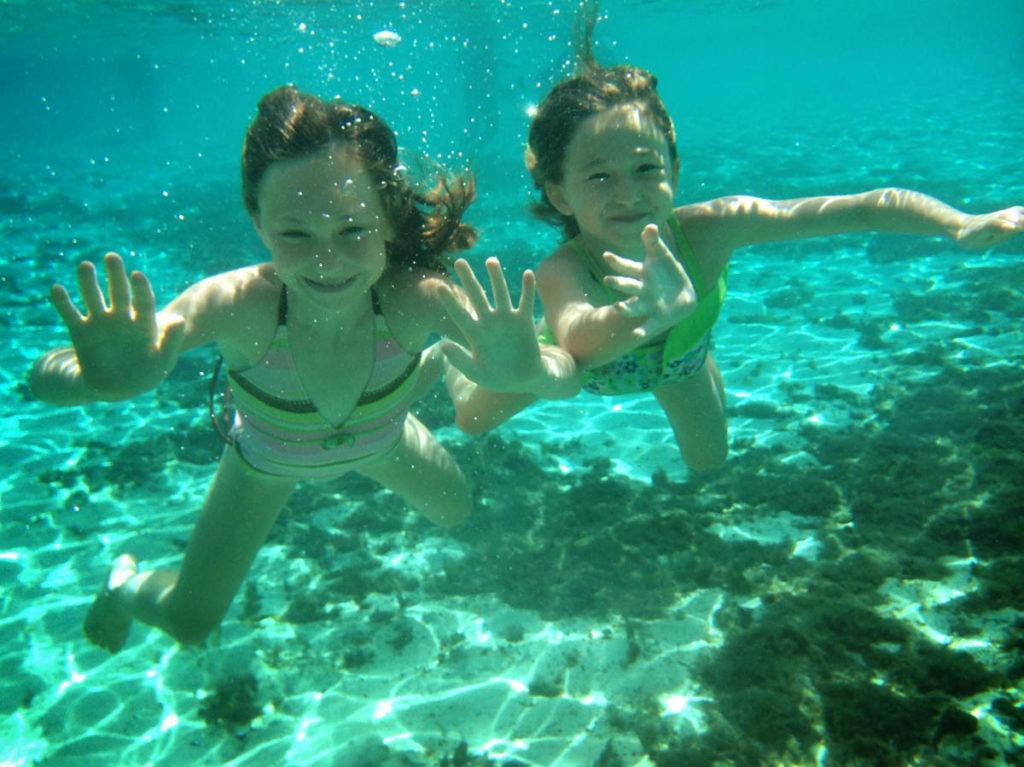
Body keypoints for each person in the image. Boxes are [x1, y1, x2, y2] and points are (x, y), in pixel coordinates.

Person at [28, 85, 579, 653]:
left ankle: (429, 366)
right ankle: (122, 587)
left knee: (457, 512)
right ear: (257, 220)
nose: (328, 260)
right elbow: (39, 378)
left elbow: (570, 373)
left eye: (353, 230)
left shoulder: (417, 299)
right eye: (295, 233)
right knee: (190, 623)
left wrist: (533, 369)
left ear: (390, 220)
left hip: (383, 441)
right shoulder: (235, 305)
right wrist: (95, 379)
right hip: (264, 462)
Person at [511, 28, 1023, 472]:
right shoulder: (564, 268)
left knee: (709, 463)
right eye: (599, 176)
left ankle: (694, 360)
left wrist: (958, 224)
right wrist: (642, 311)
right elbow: (578, 342)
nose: (628, 194)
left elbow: (863, 208)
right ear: (560, 195)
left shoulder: (713, 229)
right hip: (572, 371)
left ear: (675, 170)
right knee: (470, 416)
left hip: (684, 361)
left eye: (646, 168)